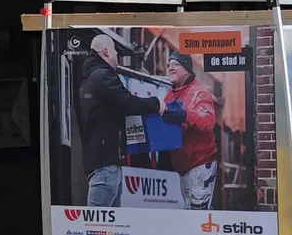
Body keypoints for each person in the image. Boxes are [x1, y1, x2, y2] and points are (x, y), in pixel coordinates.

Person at [78, 34, 165, 207]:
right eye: (114, 50)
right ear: (105, 52)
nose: (117, 54)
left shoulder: (88, 80)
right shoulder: (104, 77)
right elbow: (127, 102)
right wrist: (156, 104)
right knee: (97, 225)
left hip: (101, 163)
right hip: (106, 165)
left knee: (110, 228)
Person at [159, 51, 219, 210]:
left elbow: (209, 121)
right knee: (191, 211)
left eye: (176, 64)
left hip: (200, 163)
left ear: (187, 69)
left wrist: (185, 115)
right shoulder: (170, 96)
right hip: (182, 166)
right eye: (169, 65)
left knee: (197, 213)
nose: (170, 68)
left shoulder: (200, 92)